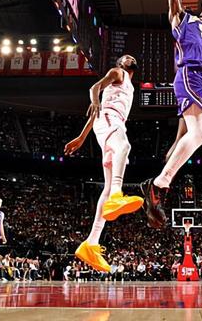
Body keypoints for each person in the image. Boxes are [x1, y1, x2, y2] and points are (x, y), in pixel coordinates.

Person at [141, 0, 202, 228]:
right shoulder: (179, 20)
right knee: (201, 134)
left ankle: (162, 178)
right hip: (191, 73)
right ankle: (159, 183)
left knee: (193, 133)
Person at [65, 55, 144, 272]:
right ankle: (117, 196)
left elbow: (99, 109)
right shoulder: (118, 73)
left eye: (132, 56)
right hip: (110, 119)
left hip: (111, 121)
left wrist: (82, 137)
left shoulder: (129, 85)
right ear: (120, 63)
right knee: (124, 147)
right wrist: (95, 100)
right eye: (125, 57)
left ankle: (91, 243)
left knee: (106, 187)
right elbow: (95, 88)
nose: (129, 57)